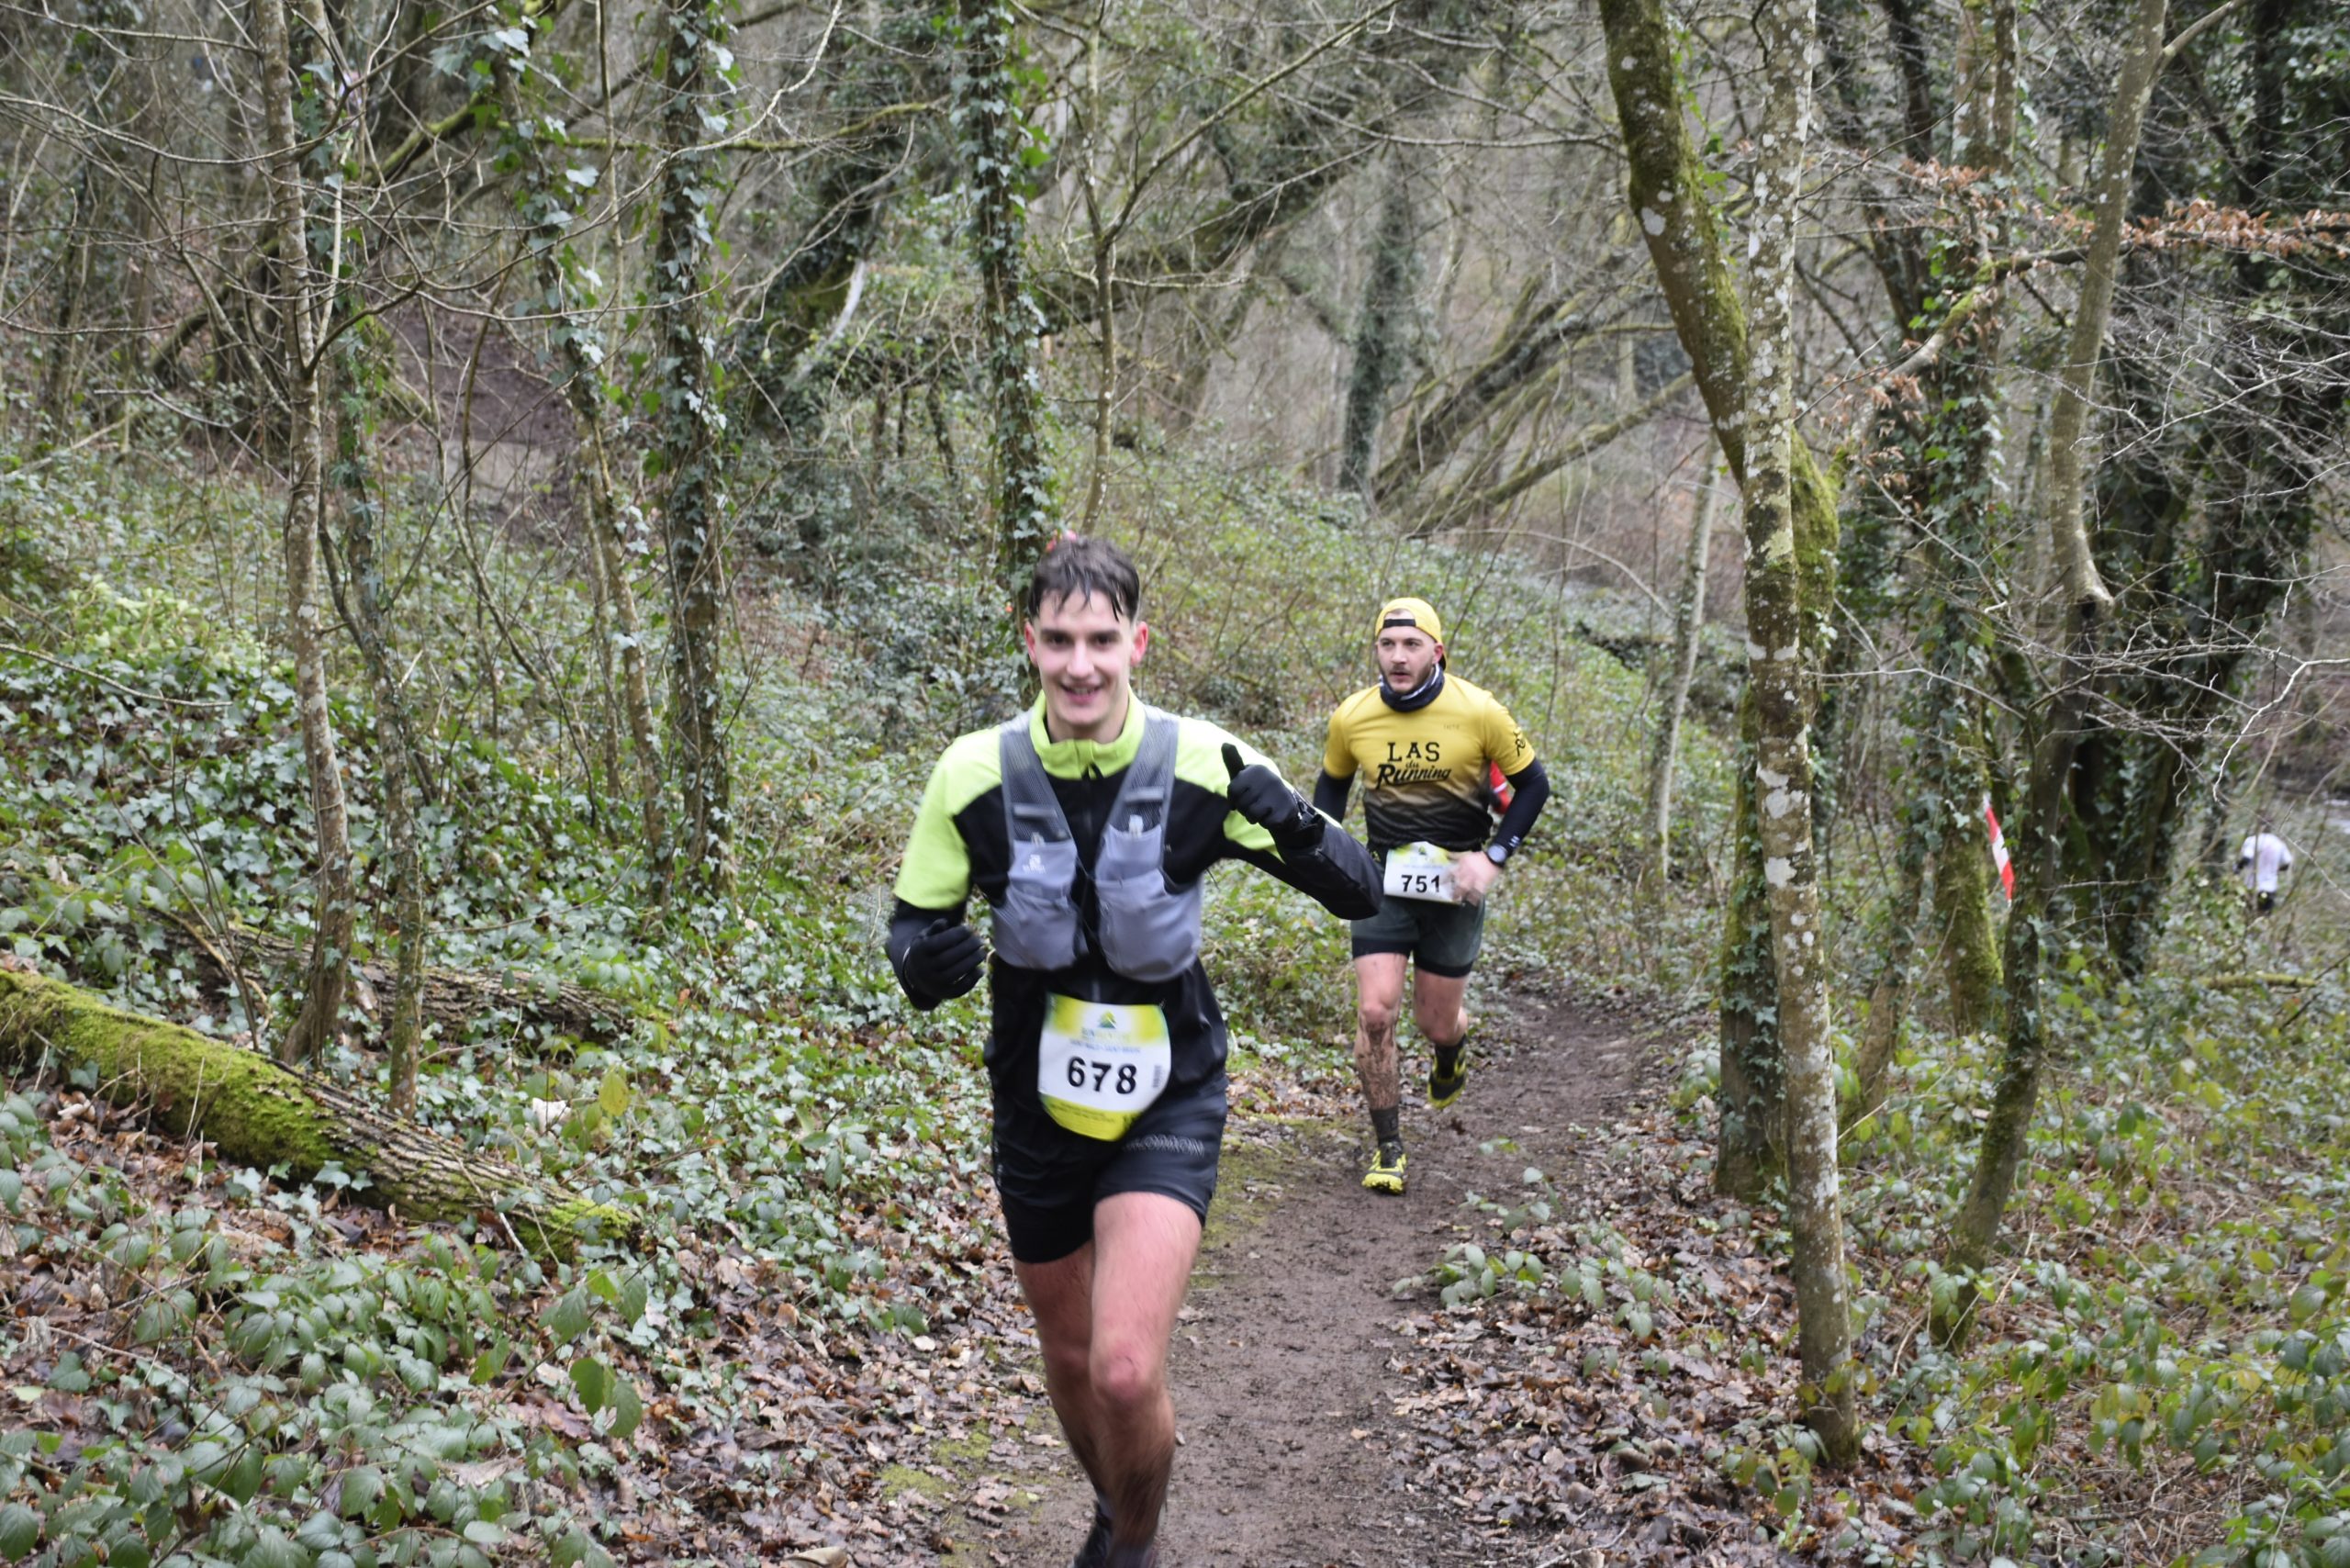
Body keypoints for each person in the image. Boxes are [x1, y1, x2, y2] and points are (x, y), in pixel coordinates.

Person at [887, 537, 1380, 1568]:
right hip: (1033, 1098)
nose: (1080, 665)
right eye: (1059, 640)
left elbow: (1357, 890)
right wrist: (924, 964)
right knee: (1071, 1360)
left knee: (1121, 1366)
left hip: (1170, 1089)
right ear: (1029, 642)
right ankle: (1119, 1509)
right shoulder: (971, 774)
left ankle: (1133, 1548)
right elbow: (912, 930)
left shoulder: (1203, 761)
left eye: (1101, 641)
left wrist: (1295, 824)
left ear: (1137, 644)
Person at [1313, 596, 1550, 1194]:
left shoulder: (1479, 711)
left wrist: (1493, 857)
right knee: (1375, 1013)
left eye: (1411, 645)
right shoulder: (1353, 717)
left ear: (1436, 652)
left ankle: (1451, 1049)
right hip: (1383, 882)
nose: (1398, 657)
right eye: (1387, 645)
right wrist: (1331, 857)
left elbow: (1533, 785)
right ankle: (1388, 1147)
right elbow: (1330, 791)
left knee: (1435, 1022)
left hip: (1455, 885)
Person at [2238, 824, 2294, 914]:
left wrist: (2237, 868)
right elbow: (2287, 863)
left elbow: (2246, 858)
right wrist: (2276, 869)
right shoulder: (2278, 843)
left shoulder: (2252, 840)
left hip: (2252, 886)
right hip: (2270, 888)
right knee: (2264, 916)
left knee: (2248, 914)